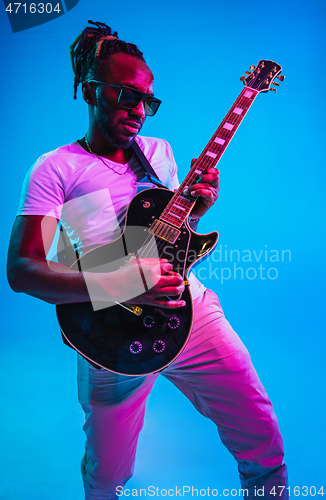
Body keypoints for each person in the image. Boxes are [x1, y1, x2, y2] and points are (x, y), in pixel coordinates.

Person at [7, 20, 288, 500]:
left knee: (262, 439)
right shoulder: (56, 167)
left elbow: (162, 237)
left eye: (148, 101)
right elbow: (23, 269)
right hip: (109, 331)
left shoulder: (159, 154)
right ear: (91, 90)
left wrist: (194, 212)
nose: (140, 110)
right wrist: (119, 284)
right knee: (108, 472)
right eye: (126, 95)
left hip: (191, 313)